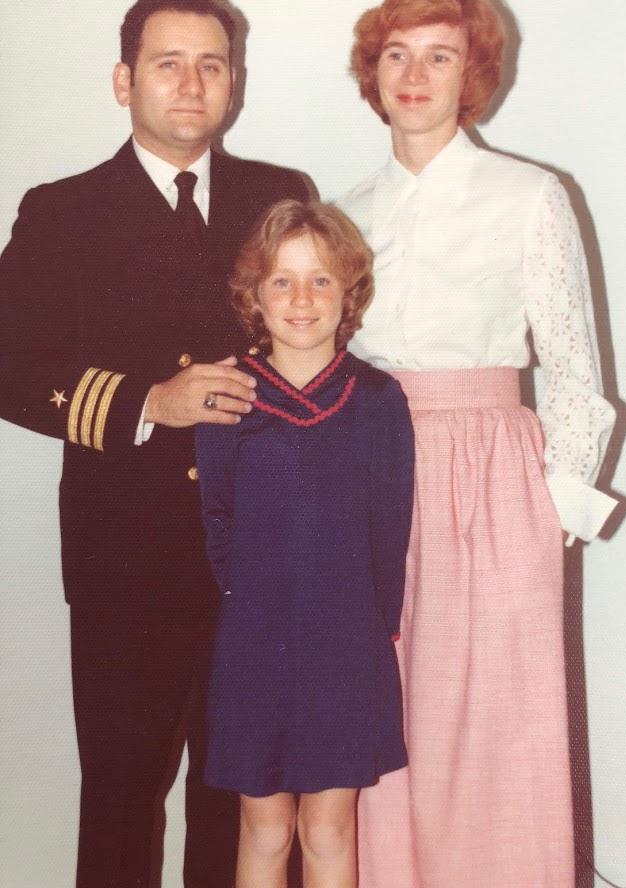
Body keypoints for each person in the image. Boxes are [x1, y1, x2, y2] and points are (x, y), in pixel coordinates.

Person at [0, 0, 308, 888]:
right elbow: (9, 366)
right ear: (123, 80)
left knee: (240, 800)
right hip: (124, 558)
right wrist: (149, 402)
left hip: (257, 553)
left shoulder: (278, 197)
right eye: (168, 63)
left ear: (234, 84)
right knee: (122, 800)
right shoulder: (63, 210)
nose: (192, 84)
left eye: (212, 65)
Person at [338, 0, 618, 886]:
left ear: (473, 74)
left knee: (500, 720)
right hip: (374, 471)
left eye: (440, 56)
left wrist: (552, 514)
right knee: (387, 712)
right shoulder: (345, 213)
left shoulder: (529, 195)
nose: (415, 76)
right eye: (397, 54)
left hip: (495, 481)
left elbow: (573, 367)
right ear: (373, 71)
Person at [195, 199, 415, 888]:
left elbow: (391, 530)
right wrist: (255, 607)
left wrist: (373, 628)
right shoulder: (228, 395)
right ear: (255, 296)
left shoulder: (378, 400)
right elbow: (217, 522)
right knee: (265, 827)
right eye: (282, 281)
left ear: (349, 293)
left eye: (321, 280)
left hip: (345, 645)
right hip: (254, 642)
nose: (301, 299)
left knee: (328, 828)